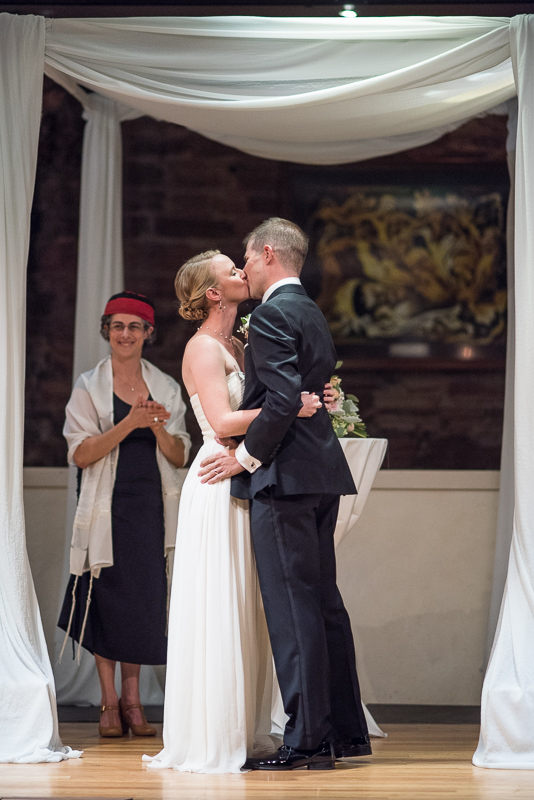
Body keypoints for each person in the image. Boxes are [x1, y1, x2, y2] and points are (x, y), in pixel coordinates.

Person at [199, 218, 370, 771]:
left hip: (285, 479)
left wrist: (244, 458)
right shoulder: (311, 309)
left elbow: (280, 402)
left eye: (246, 258)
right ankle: (341, 734)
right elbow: (306, 393)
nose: (244, 267)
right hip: (319, 475)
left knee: (295, 612)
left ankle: (306, 742)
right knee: (323, 607)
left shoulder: (270, 314)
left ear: (267, 253)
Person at [144, 250, 323, 774]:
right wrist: (290, 406)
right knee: (219, 601)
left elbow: (271, 397)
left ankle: (242, 727)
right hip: (217, 472)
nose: (242, 271)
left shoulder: (239, 342)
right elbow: (222, 417)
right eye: (231, 269)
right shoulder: (202, 347)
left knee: (248, 602)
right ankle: (211, 734)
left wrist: (308, 398)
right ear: (213, 294)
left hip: (244, 471)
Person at [58, 291, 191, 738]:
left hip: (150, 508)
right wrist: (128, 423)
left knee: (140, 601)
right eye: (118, 326)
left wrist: (154, 424)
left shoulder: (165, 387)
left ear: (148, 333)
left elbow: (178, 456)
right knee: (105, 598)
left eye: (135, 326)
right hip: (105, 507)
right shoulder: (88, 385)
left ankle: (133, 701)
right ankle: (108, 702)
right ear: (106, 332)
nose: (125, 334)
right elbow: (81, 454)